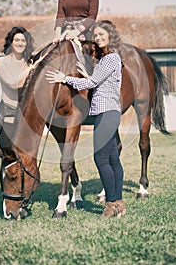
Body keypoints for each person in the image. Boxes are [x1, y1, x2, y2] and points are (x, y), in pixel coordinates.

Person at [46, 20, 126, 218]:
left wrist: (64, 78)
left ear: (111, 36)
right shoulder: (107, 59)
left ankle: (110, 203)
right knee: (113, 158)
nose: (98, 38)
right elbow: (96, 78)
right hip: (108, 112)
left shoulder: (110, 58)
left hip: (106, 112)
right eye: (96, 35)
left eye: (102, 35)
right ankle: (118, 202)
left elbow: (92, 82)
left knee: (101, 158)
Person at [0, 26, 34, 149]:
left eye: (23, 41)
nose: (20, 43)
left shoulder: (30, 63)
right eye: (17, 40)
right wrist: (32, 69)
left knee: (25, 158)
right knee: (8, 158)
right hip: (8, 114)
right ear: (11, 42)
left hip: (26, 116)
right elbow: (14, 84)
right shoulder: (0, 62)